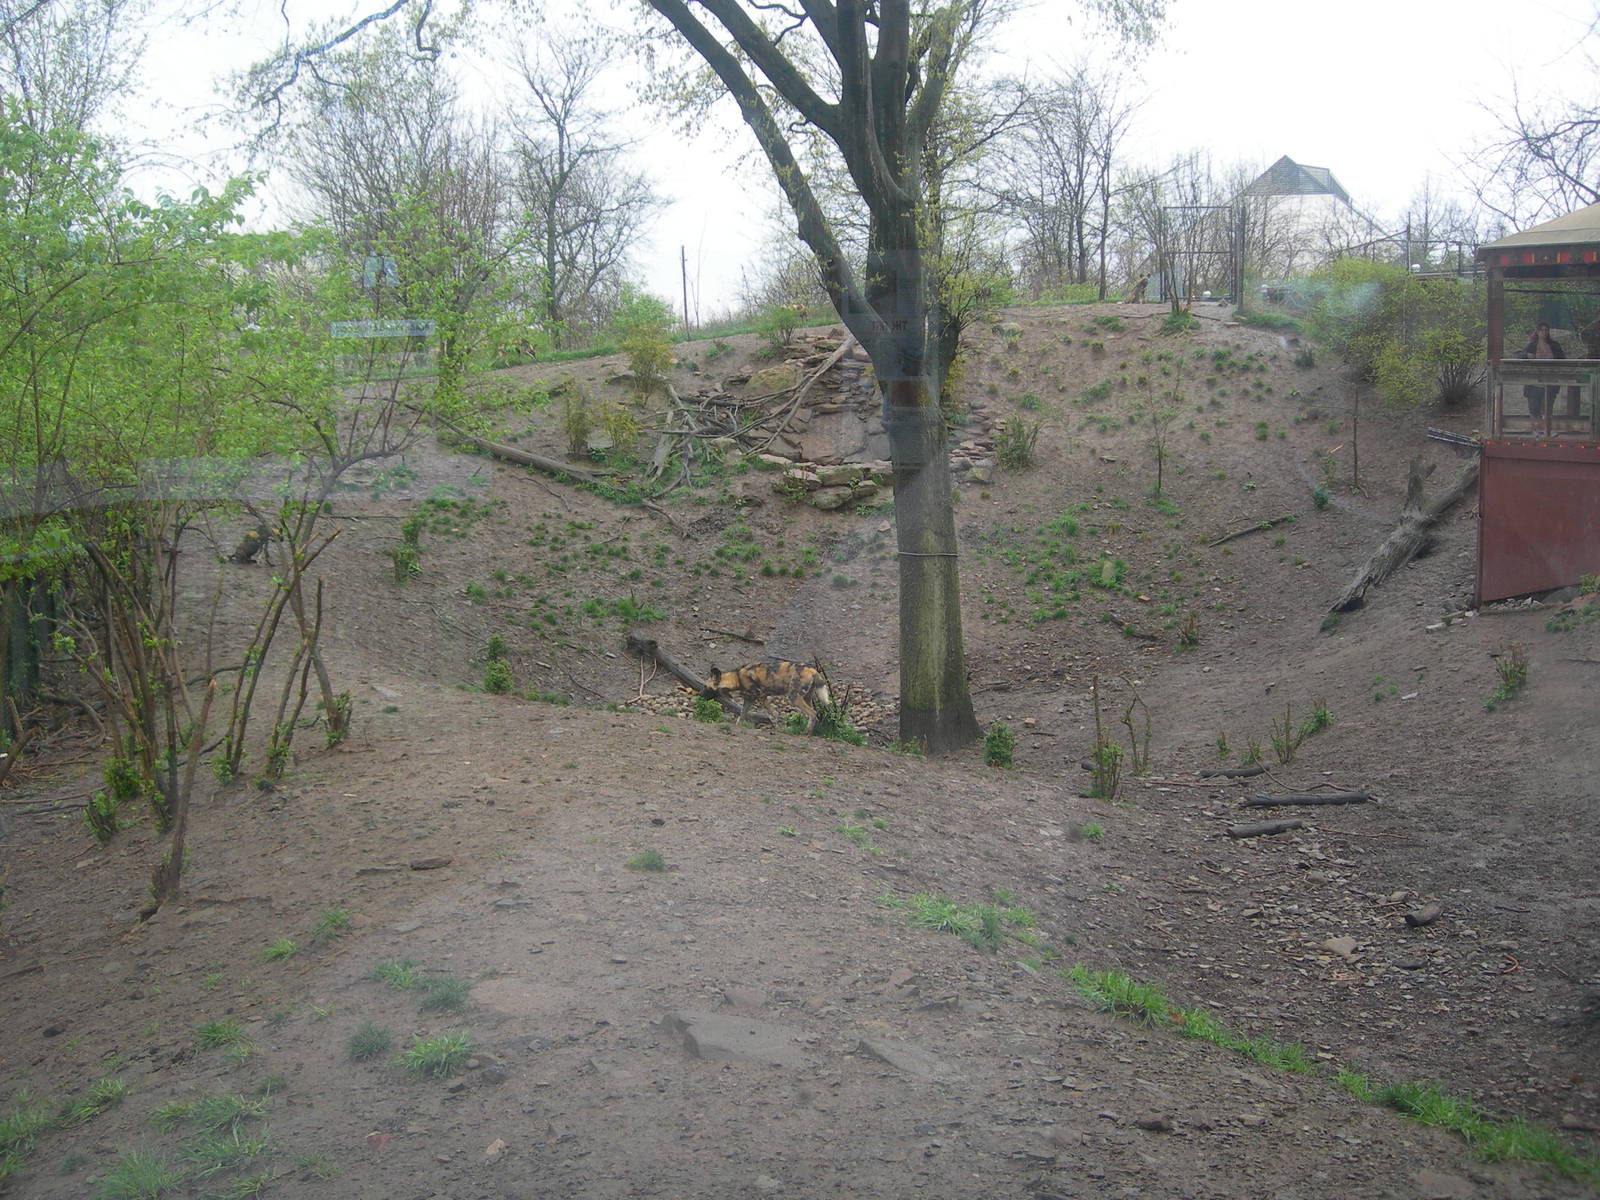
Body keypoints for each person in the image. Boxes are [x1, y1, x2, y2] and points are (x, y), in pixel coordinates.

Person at [1521, 322, 1565, 419]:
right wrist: (1527, 355)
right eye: (1541, 330)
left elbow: (1562, 358)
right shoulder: (1532, 345)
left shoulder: (1554, 345)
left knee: (1547, 410)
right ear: (1537, 331)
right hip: (1534, 382)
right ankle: (1536, 430)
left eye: (1546, 330)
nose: (1544, 332)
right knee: (1534, 409)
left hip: (1550, 381)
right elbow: (1519, 356)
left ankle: (1547, 430)